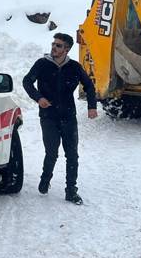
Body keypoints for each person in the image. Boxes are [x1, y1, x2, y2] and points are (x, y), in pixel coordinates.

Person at [22, 33, 98, 205]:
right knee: (52, 152)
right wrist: (38, 98)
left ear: (67, 49)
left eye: (58, 45)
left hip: (68, 116)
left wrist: (91, 106)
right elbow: (27, 81)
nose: (54, 47)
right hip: (48, 116)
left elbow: (89, 86)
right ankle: (45, 178)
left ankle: (71, 191)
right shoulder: (42, 64)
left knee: (72, 155)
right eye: (53, 44)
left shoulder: (74, 67)